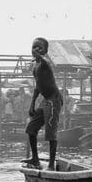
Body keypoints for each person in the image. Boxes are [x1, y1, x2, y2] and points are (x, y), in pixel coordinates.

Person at [21, 37, 62, 170]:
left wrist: (42, 57)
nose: (36, 50)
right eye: (34, 47)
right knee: (31, 129)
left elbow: (48, 62)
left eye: (40, 48)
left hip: (54, 99)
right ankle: (35, 159)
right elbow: (38, 87)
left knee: (51, 132)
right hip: (45, 100)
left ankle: (51, 165)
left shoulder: (46, 62)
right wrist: (32, 104)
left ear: (45, 51)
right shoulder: (35, 66)